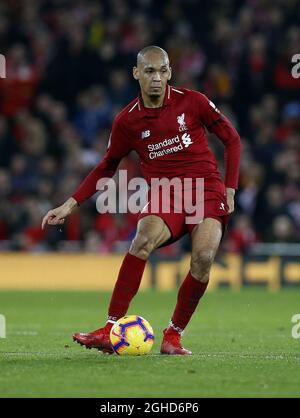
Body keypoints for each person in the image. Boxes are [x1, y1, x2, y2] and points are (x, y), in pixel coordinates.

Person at [42, 46, 241, 355]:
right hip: (165, 192)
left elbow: (232, 139)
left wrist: (230, 188)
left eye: (163, 71)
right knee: (141, 240)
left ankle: (173, 335)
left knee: (203, 259)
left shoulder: (194, 102)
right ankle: (110, 329)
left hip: (206, 189)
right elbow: (106, 166)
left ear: (170, 73)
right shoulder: (127, 121)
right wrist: (69, 204)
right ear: (137, 74)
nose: (157, 78)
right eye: (149, 71)